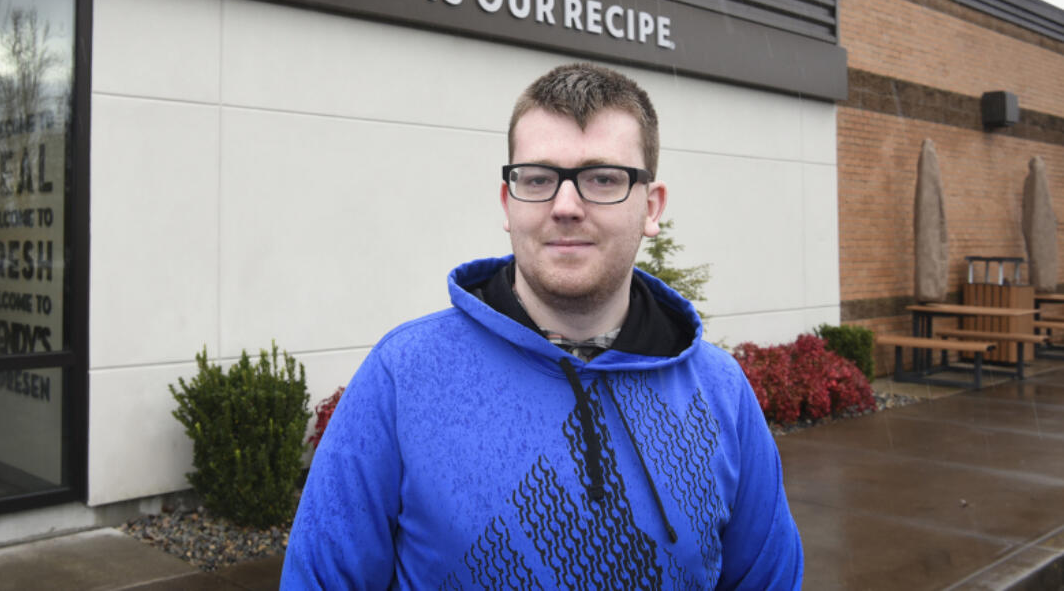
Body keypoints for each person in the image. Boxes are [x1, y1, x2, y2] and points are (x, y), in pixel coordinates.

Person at [282, 62, 802, 589]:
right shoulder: (403, 377)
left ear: (652, 205)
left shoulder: (721, 393)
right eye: (538, 179)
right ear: (509, 202)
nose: (566, 206)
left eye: (603, 178)